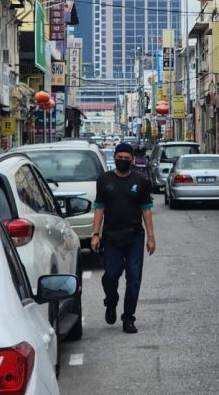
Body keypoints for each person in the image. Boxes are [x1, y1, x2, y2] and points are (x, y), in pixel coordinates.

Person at [90, 142, 156, 334]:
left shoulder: (141, 182)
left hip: (134, 236)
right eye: (120, 158)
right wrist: (95, 234)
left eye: (127, 159)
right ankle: (111, 302)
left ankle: (128, 318)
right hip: (111, 237)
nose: (123, 161)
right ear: (115, 158)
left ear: (132, 160)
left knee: (134, 279)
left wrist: (151, 238)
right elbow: (99, 207)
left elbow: (147, 211)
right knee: (111, 275)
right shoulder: (104, 180)